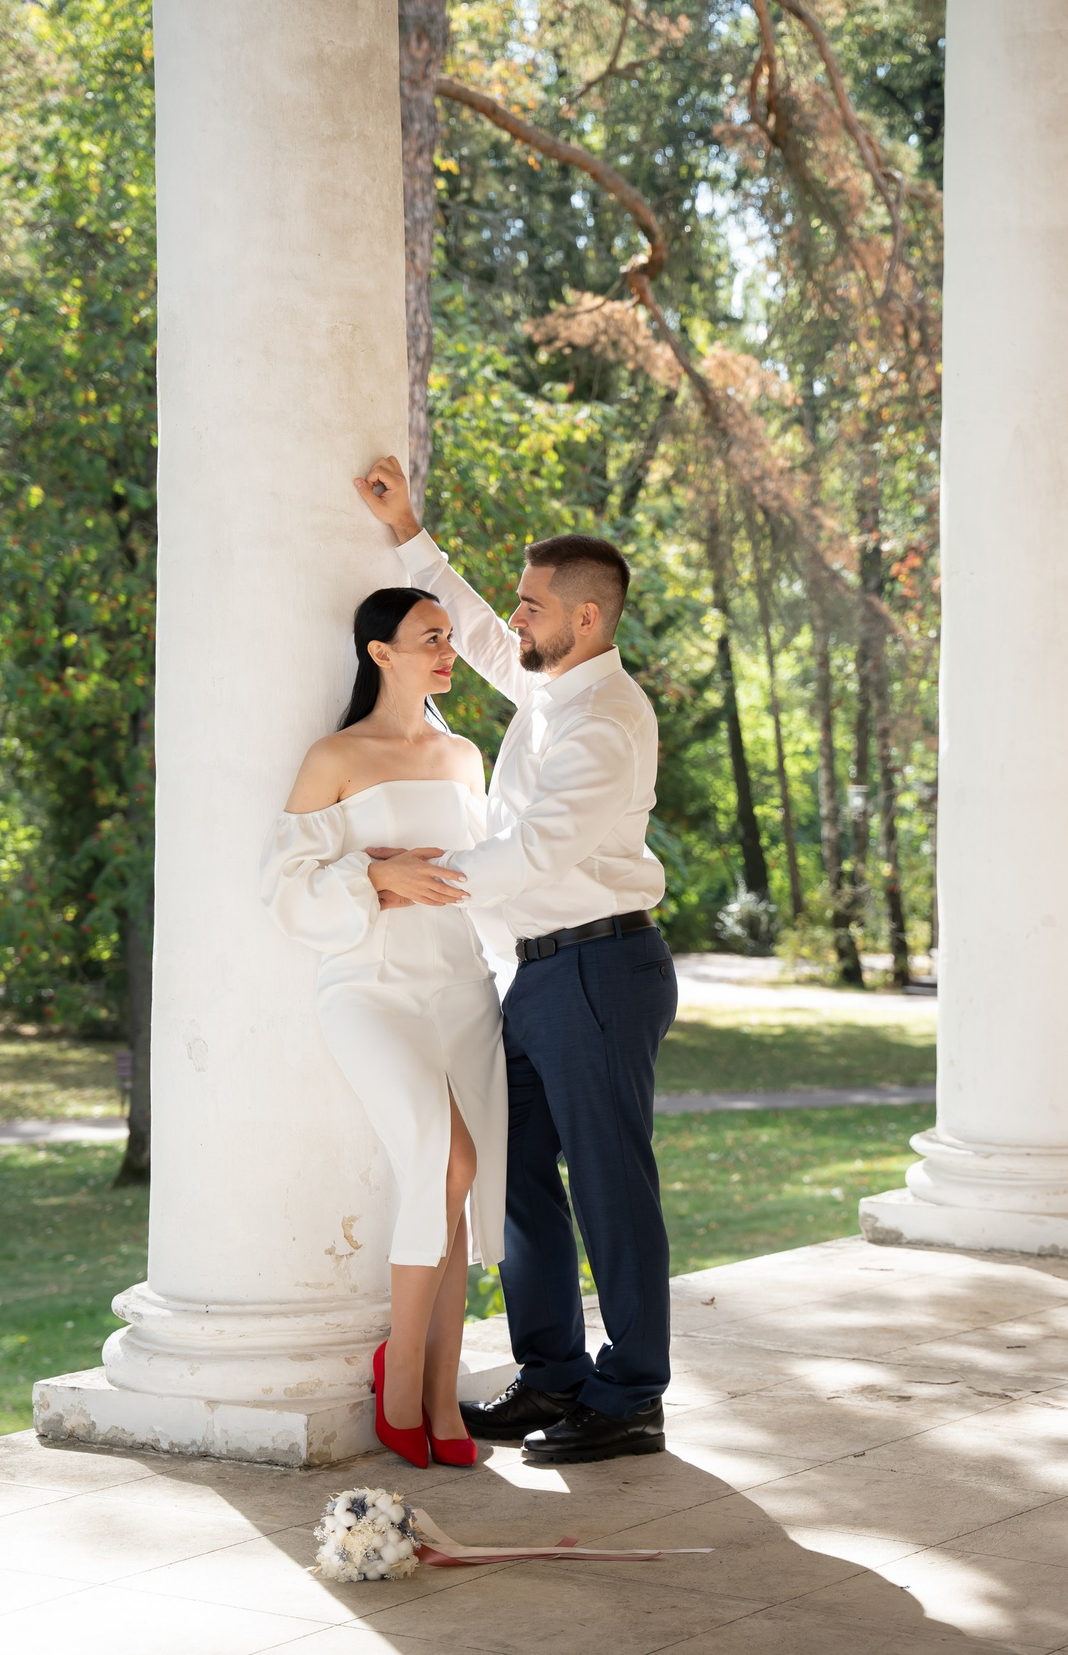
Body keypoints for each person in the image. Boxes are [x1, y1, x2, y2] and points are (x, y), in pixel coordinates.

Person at [351, 454, 679, 1467]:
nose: (515, 622)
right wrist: (408, 531)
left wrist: (408, 875)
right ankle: (550, 1374)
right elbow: (485, 636)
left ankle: (628, 1395)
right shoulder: (552, 688)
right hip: (539, 975)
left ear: (584, 620)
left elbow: (530, 853)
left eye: (534, 606)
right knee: (515, 1176)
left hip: (597, 970)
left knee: (608, 1184)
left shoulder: (606, 724)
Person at [261, 585, 505, 1470]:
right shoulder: (336, 754)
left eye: (449, 637)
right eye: (430, 637)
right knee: (450, 1160)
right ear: (380, 654)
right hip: (368, 983)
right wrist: (374, 875)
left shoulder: (466, 755)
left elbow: (486, 872)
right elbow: (282, 885)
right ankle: (400, 1375)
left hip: (462, 989)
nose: (448, 651)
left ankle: (442, 1394)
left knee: (462, 1184)